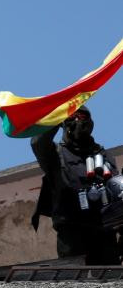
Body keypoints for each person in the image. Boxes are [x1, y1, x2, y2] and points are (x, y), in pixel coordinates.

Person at [30, 107, 122, 264]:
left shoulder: (102, 155)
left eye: (83, 117)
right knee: (75, 278)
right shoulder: (55, 154)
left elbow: (117, 193)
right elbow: (38, 142)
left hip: (104, 230)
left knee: (110, 280)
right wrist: (56, 116)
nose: (79, 121)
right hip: (72, 230)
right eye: (74, 117)